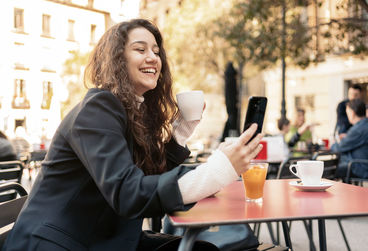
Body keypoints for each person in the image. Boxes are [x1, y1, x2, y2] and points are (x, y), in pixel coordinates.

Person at [3, 19, 263, 251]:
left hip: (107, 239)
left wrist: (179, 135)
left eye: (156, 52)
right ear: (117, 59)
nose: (153, 57)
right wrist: (218, 170)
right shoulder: (98, 107)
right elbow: (129, 194)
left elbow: (148, 183)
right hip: (62, 242)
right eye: (140, 50)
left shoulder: (133, 113)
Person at [332, 99, 368, 179]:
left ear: (352, 113)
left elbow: (338, 148)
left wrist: (333, 144)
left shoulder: (358, 129)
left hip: (360, 168)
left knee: (326, 170)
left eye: (347, 113)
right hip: (366, 165)